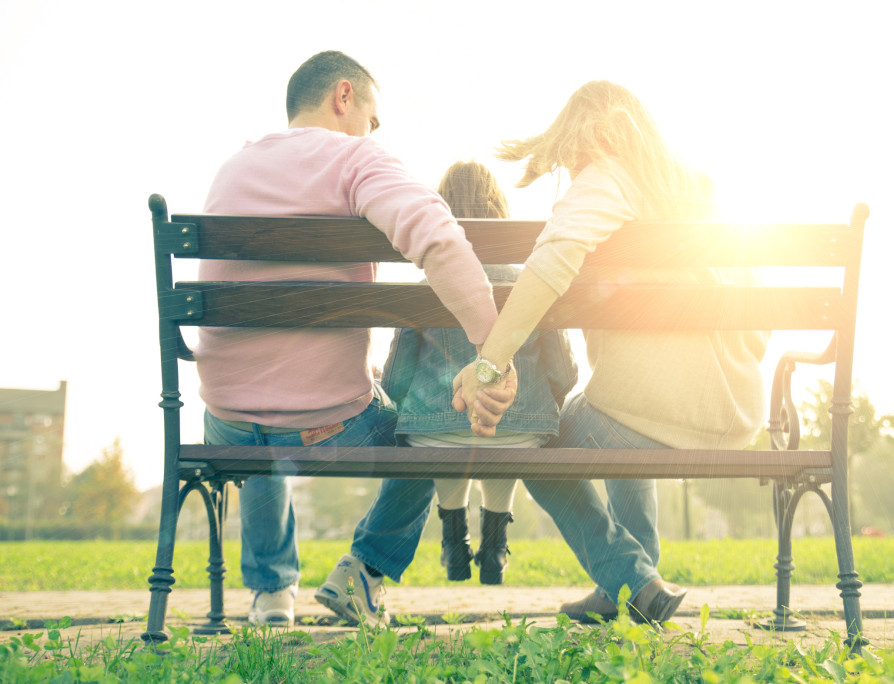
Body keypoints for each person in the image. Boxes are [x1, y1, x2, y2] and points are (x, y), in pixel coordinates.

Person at [196, 50, 508, 628]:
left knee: (264, 427)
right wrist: (493, 350)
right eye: (372, 117)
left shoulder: (231, 170)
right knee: (438, 433)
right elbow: (437, 239)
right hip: (325, 424)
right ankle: (363, 571)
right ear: (344, 97)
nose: (372, 131)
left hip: (226, 420)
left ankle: (271, 595)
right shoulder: (355, 158)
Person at [453, 81, 770, 623]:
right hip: (737, 410)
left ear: (597, 138)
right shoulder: (701, 188)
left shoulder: (609, 176)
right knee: (616, 407)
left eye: (572, 159)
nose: (574, 175)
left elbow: (552, 261)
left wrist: (489, 362)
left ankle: (630, 577)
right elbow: (759, 326)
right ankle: (629, 580)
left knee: (538, 445)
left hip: (656, 410)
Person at [380, 161, 577, 584]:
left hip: (434, 434)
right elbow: (563, 373)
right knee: (502, 438)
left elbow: (395, 381)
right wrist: (536, 404)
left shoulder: (425, 288)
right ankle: (495, 545)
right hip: (520, 433)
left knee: (447, 436)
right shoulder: (530, 285)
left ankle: (454, 540)